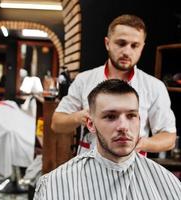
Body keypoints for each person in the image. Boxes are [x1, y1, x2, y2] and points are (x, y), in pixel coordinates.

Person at [34, 79, 181, 200]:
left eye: (131, 116)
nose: (123, 126)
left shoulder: (168, 183)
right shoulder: (55, 185)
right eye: (110, 116)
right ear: (91, 124)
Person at [52, 14, 176, 155]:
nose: (127, 51)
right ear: (107, 43)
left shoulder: (154, 87)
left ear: (142, 47)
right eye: (121, 43)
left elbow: (169, 138)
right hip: (88, 168)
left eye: (134, 45)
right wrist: (78, 116)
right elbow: (57, 123)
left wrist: (140, 143)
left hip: (132, 169)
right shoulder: (84, 79)